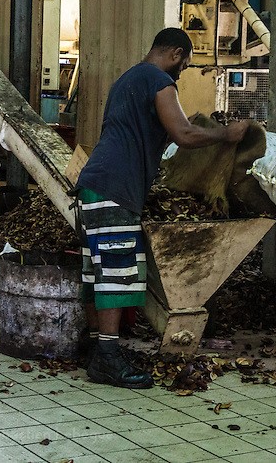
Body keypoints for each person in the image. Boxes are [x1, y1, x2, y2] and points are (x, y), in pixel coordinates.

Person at [75, 27, 249, 389]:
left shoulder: (128, 79)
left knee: (97, 271)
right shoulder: (157, 79)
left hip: (95, 184)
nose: (181, 72)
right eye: (183, 65)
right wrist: (224, 134)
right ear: (173, 53)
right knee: (118, 273)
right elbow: (183, 134)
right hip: (115, 188)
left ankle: (97, 350)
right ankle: (106, 359)